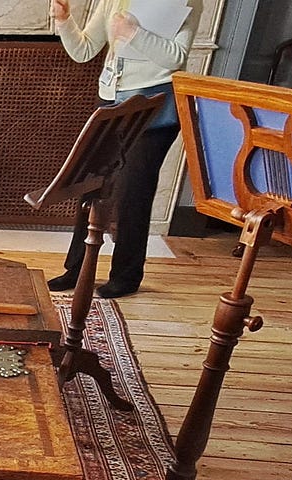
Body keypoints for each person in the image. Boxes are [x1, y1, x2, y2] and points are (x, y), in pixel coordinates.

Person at [48, 0, 202, 299]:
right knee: (90, 186)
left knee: (133, 193)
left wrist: (134, 33)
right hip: (111, 102)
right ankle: (77, 268)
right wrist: (65, 20)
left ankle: (126, 275)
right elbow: (84, 52)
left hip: (154, 107)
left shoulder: (186, 1)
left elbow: (176, 57)